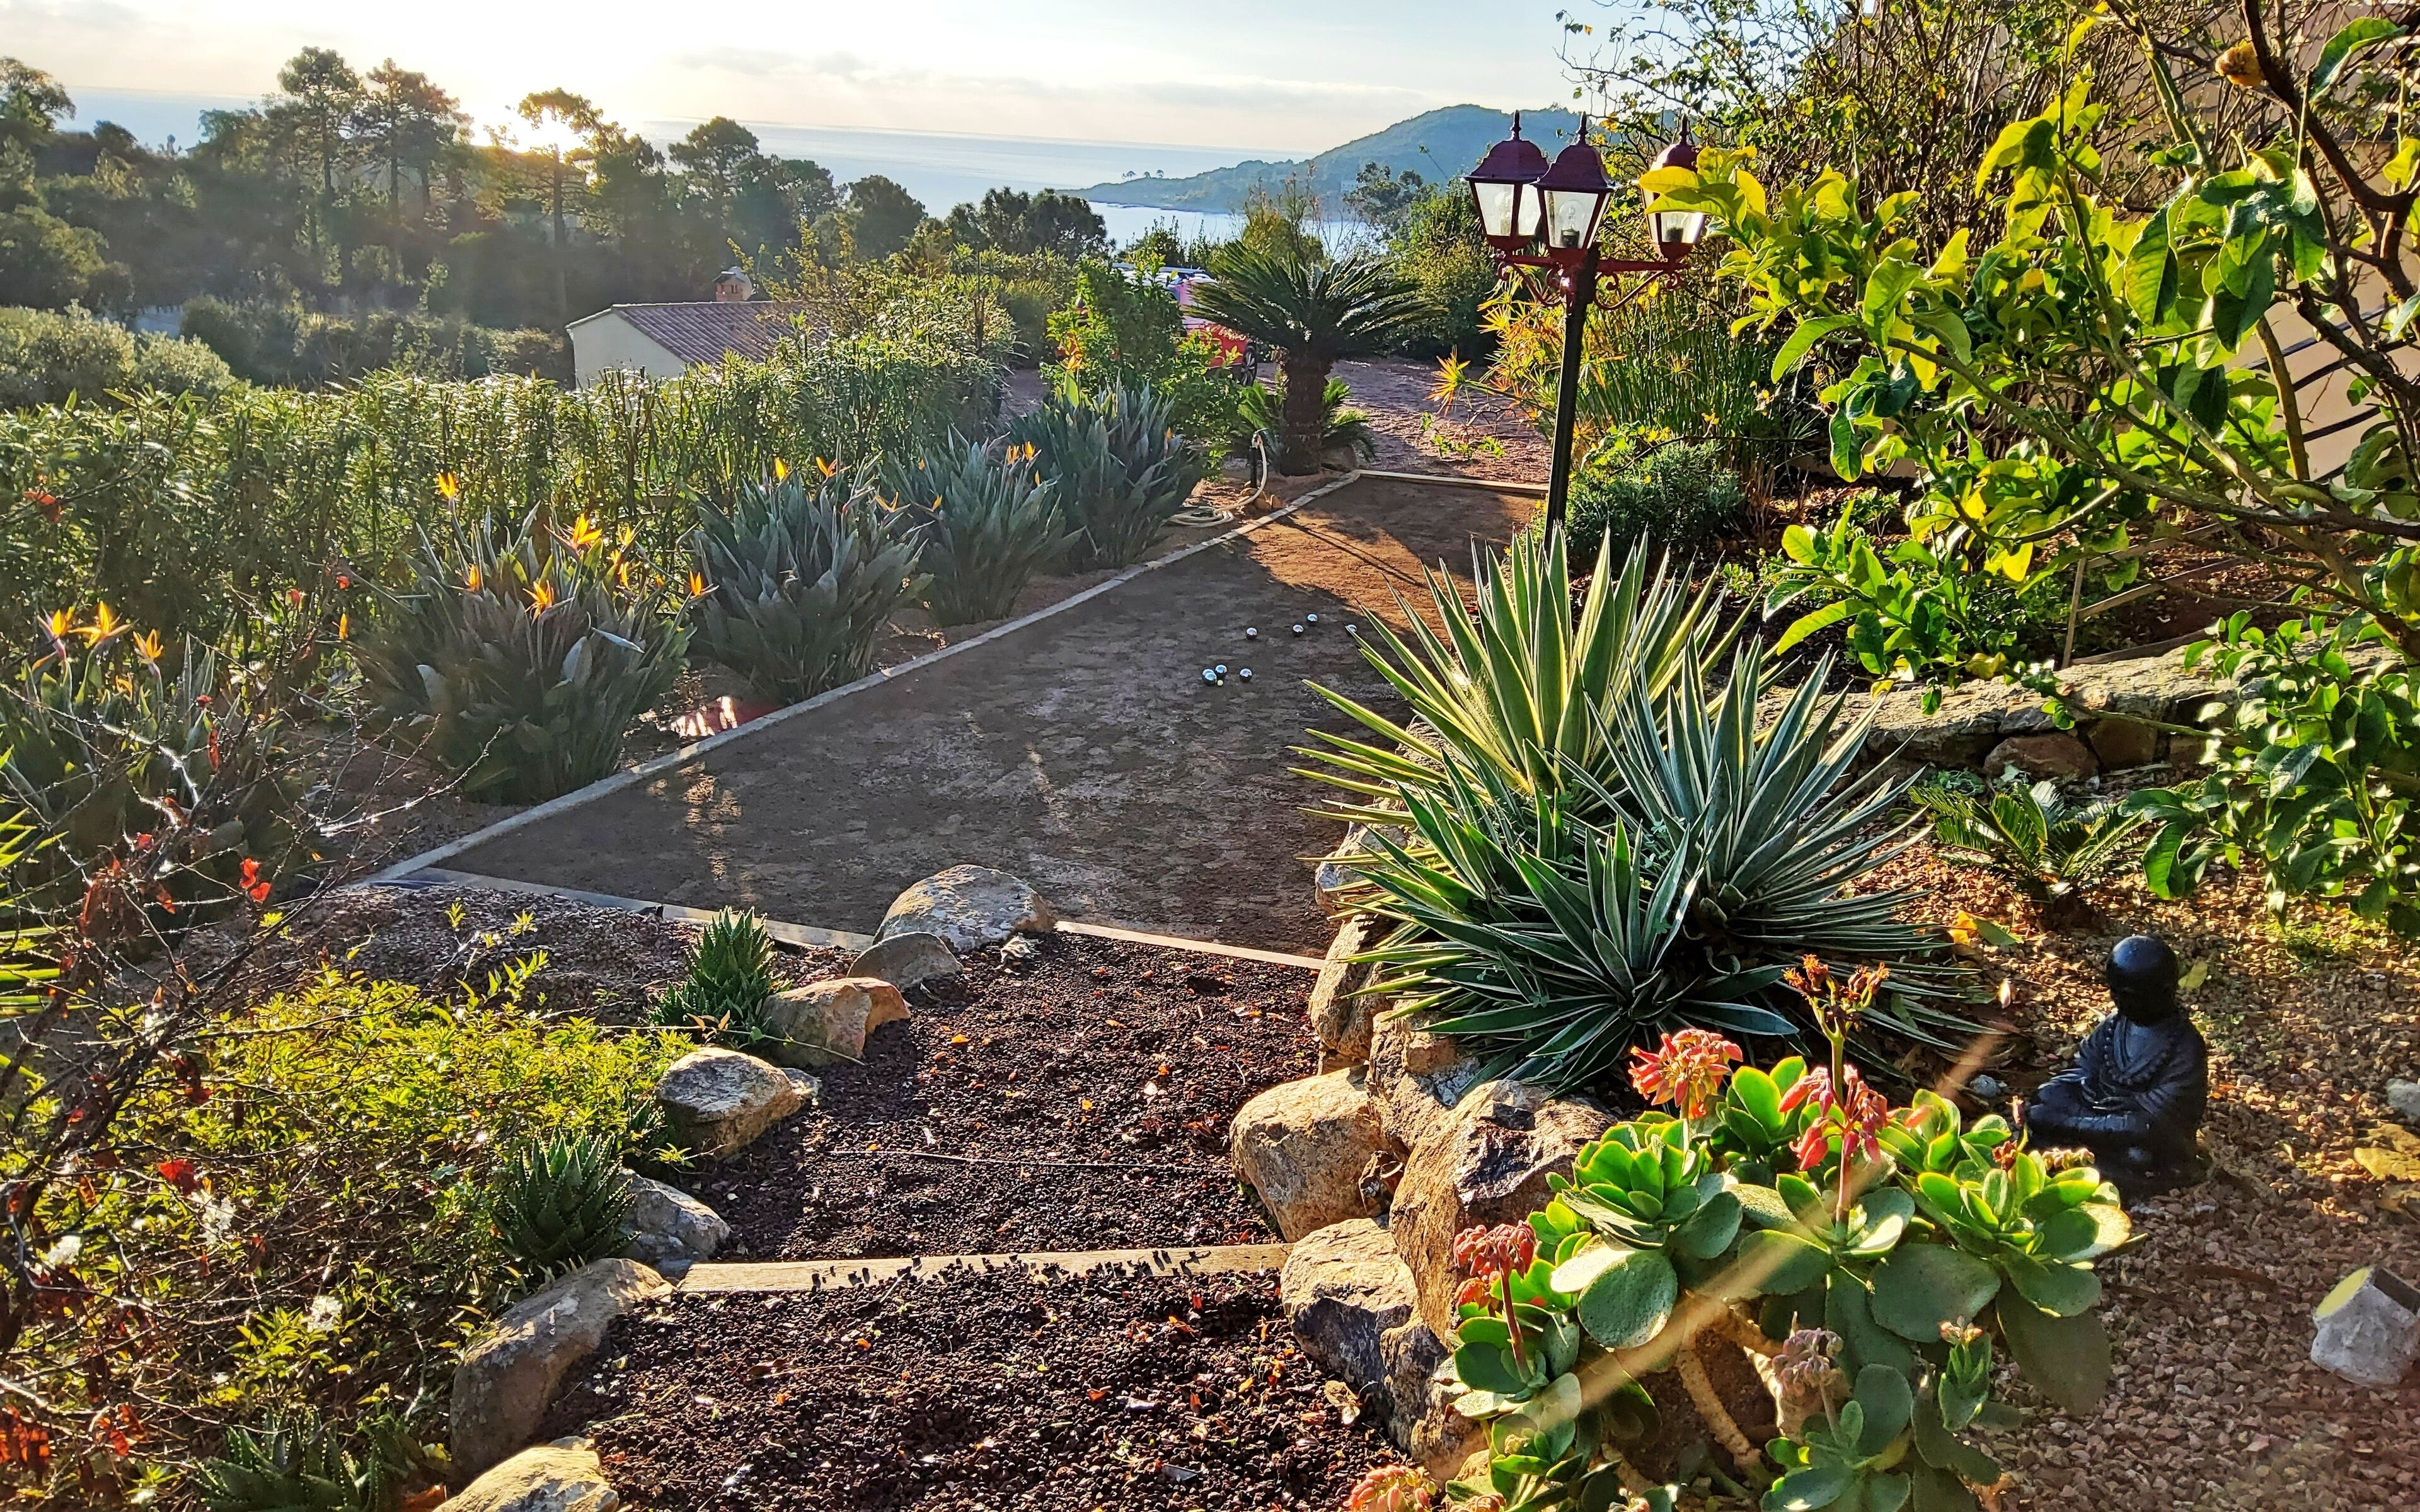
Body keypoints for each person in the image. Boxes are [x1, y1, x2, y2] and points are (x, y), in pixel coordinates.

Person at [2024, 934, 2208, 1196]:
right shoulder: (2115, 1024)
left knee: (2137, 1154)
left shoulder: (2184, 1044)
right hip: (2098, 1110)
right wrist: (2079, 1087)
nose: (2119, 1001)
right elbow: (2082, 1067)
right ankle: (2079, 1148)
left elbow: (2165, 1117)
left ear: (2166, 991)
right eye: (2115, 993)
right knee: (2045, 1101)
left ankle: (2075, 1146)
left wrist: (2079, 1122)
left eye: (2130, 995)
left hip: (2139, 1129)